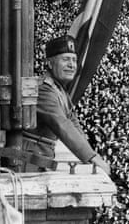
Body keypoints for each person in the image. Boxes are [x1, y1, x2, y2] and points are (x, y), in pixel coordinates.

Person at [22, 35, 110, 174]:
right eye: (65, 59)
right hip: (28, 161)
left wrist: (92, 154)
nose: (71, 65)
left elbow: (72, 122)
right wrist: (92, 158)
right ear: (49, 63)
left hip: (39, 157)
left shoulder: (59, 89)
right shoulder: (43, 89)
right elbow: (61, 124)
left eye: (74, 60)